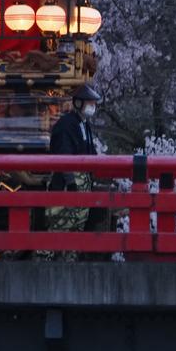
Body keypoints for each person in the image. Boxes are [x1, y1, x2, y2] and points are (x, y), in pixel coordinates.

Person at [40, 85, 106, 258]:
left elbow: (91, 154)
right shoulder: (66, 125)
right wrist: (70, 181)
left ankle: (69, 262)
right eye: (89, 103)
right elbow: (63, 156)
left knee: (77, 227)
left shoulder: (84, 124)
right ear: (78, 103)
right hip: (67, 183)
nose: (92, 106)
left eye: (94, 103)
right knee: (60, 225)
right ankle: (46, 263)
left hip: (83, 182)